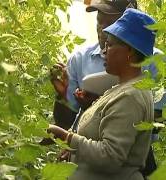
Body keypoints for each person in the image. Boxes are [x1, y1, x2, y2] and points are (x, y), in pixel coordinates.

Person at [48, 8, 157, 180]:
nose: (104, 50)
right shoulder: (122, 88)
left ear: (129, 51)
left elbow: (110, 157)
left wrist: (67, 137)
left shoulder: (130, 97)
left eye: (110, 44)